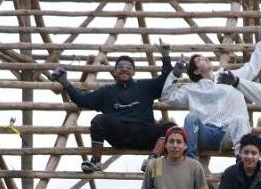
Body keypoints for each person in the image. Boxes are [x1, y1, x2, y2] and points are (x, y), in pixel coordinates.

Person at [50, 43, 174, 173]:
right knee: (99, 120)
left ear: (133, 71)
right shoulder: (106, 91)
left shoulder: (145, 86)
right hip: (119, 134)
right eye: (120, 67)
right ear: (115, 71)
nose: (125, 69)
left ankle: (152, 160)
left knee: (170, 127)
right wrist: (64, 82)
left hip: (144, 134)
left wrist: (165, 56)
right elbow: (82, 100)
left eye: (128, 67)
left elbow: (166, 81)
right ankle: (96, 161)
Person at [161, 28, 261, 159]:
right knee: (190, 118)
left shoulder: (230, 77)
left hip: (227, 133)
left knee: (240, 120)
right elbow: (168, 97)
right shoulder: (192, 89)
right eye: (199, 59)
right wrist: (175, 73)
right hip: (205, 134)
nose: (205, 58)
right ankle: (189, 161)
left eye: (203, 57)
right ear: (196, 71)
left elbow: (252, 68)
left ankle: (241, 164)